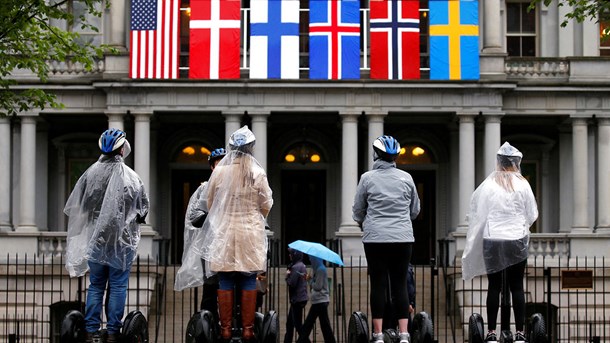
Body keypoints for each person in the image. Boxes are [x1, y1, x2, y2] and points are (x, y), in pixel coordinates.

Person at [64, 128, 149, 343]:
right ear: (122, 149)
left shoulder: (90, 174)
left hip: (96, 240)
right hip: (121, 243)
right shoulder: (131, 177)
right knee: (118, 285)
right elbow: (143, 209)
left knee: (96, 285)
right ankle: (113, 332)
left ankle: (92, 332)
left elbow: (79, 206)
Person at [200, 126, 273, 341]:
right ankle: (249, 329)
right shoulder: (257, 172)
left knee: (225, 278)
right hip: (249, 232)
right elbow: (266, 204)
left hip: (224, 231)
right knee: (249, 278)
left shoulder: (220, 171)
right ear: (251, 148)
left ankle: (224, 330)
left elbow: (210, 202)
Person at [461, 142, 538, 343]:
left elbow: (478, 212)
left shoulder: (489, 185)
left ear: (499, 162)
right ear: (516, 162)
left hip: (493, 238)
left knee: (494, 286)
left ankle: (491, 332)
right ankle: (520, 332)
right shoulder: (523, 184)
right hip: (516, 238)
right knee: (517, 286)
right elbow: (532, 214)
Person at [352, 135, 420, 343]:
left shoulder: (367, 178)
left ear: (376, 154)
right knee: (400, 284)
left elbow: (357, 211)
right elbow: (415, 210)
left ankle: (378, 334)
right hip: (402, 237)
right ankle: (404, 334)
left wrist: (369, 222)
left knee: (378, 284)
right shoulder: (407, 178)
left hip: (375, 239)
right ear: (395, 156)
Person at [183, 148, 226, 323]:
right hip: (210, 248)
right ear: (212, 167)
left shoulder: (240, 187)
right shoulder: (204, 189)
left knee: (233, 289)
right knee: (210, 290)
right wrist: (209, 216)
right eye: (218, 164)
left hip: (234, 247)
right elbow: (194, 217)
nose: (222, 167)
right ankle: (209, 324)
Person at [297, 256, 336, 343]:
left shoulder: (321, 270)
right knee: (316, 324)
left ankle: (301, 340)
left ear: (315, 259)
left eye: (311, 258)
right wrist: (310, 278)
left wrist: (309, 281)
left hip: (321, 301)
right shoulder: (317, 269)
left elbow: (318, 286)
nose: (310, 260)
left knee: (314, 324)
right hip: (318, 301)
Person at [284, 248, 309, 343]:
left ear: (295, 255)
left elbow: (292, 283)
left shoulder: (296, 267)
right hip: (300, 298)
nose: (289, 256)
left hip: (297, 299)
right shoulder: (302, 265)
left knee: (297, 325)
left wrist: (287, 275)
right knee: (290, 323)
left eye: (291, 254)